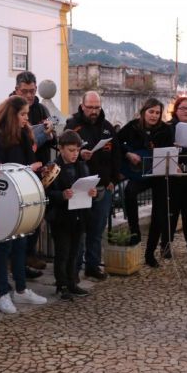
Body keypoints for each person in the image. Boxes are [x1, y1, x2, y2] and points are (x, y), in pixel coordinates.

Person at [0, 95, 48, 314]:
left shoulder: (23, 134)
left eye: (27, 114)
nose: (26, 118)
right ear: (12, 115)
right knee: (4, 247)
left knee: (20, 244)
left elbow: (28, 161)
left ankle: (21, 290)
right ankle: (3, 293)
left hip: (23, 196)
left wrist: (37, 168)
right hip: (3, 199)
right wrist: (29, 168)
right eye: (22, 114)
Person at [146, 96, 187, 265]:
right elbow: (159, 148)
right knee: (171, 214)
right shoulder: (168, 128)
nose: (185, 111)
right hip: (173, 178)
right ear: (176, 110)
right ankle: (166, 245)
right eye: (182, 108)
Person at [65, 90, 120, 281]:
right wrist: (80, 155)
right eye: (90, 108)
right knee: (79, 232)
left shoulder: (108, 128)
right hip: (81, 188)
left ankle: (93, 266)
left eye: (97, 107)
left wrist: (114, 180)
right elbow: (64, 153)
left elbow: (116, 156)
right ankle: (74, 270)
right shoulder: (73, 126)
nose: (94, 111)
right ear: (82, 106)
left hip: (103, 188)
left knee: (97, 231)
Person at [46, 130, 96, 300]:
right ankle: (62, 285)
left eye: (77, 150)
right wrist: (61, 195)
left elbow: (85, 186)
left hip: (79, 215)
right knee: (63, 253)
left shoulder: (82, 166)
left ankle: (72, 282)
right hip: (61, 217)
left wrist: (92, 192)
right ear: (60, 149)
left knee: (75, 251)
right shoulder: (52, 168)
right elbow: (45, 193)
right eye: (71, 150)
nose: (75, 154)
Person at [13, 71, 55, 272]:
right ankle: (17, 261)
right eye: (25, 91)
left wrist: (49, 132)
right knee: (20, 218)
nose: (30, 95)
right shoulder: (9, 109)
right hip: (19, 170)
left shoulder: (41, 109)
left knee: (37, 214)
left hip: (40, 167)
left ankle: (30, 254)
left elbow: (52, 138)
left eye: (32, 91)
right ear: (16, 89)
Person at [116, 98, 169, 245]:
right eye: (151, 112)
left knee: (158, 212)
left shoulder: (165, 130)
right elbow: (117, 142)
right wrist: (128, 154)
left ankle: (151, 250)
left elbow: (169, 151)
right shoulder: (132, 126)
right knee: (129, 192)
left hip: (158, 175)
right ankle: (135, 233)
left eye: (157, 113)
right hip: (139, 173)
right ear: (143, 112)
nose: (154, 115)